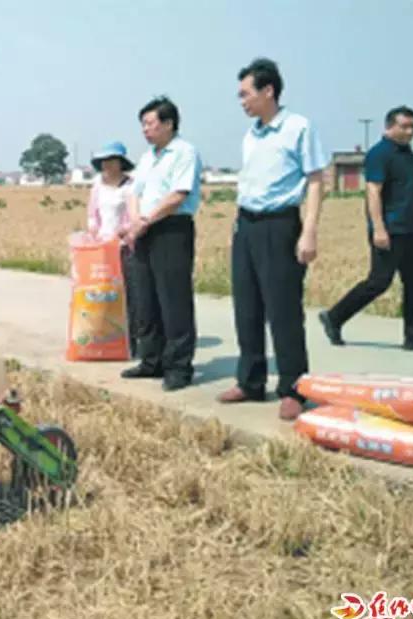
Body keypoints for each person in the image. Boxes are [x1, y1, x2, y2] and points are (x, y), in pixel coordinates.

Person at [217, 58, 328, 421]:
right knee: (246, 307)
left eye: (245, 94)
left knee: (283, 311)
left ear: (268, 91)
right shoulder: (252, 134)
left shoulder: (298, 128)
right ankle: (250, 381)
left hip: (280, 225)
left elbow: (315, 180)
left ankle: (295, 388)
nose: (242, 101)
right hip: (247, 225)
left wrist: (309, 230)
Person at [319, 107, 413, 355]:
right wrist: (379, 228)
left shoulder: (407, 153)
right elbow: (373, 192)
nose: (410, 131)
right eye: (404, 126)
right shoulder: (380, 154)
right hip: (389, 230)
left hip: (410, 230)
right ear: (390, 126)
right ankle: (334, 317)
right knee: (379, 281)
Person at [122, 97, 203, 391]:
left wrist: (146, 220)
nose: (145, 129)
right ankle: (151, 360)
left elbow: (178, 195)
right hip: (144, 231)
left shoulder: (184, 152)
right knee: (146, 299)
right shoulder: (147, 158)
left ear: (169, 124)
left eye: (150, 123)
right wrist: (135, 222)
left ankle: (179, 367)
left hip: (171, 229)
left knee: (174, 300)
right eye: (142, 124)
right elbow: (134, 192)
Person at [86, 141, 138, 356]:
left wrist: (123, 233)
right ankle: (104, 335)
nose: (107, 165)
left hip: (125, 245)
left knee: (128, 292)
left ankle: (131, 339)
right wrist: (93, 233)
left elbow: (132, 215)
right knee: (102, 291)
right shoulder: (97, 185)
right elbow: (92, 213)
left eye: (111, 161)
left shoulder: (130, 186)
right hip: (101, 245)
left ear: (120, 163)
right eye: (103, 162)